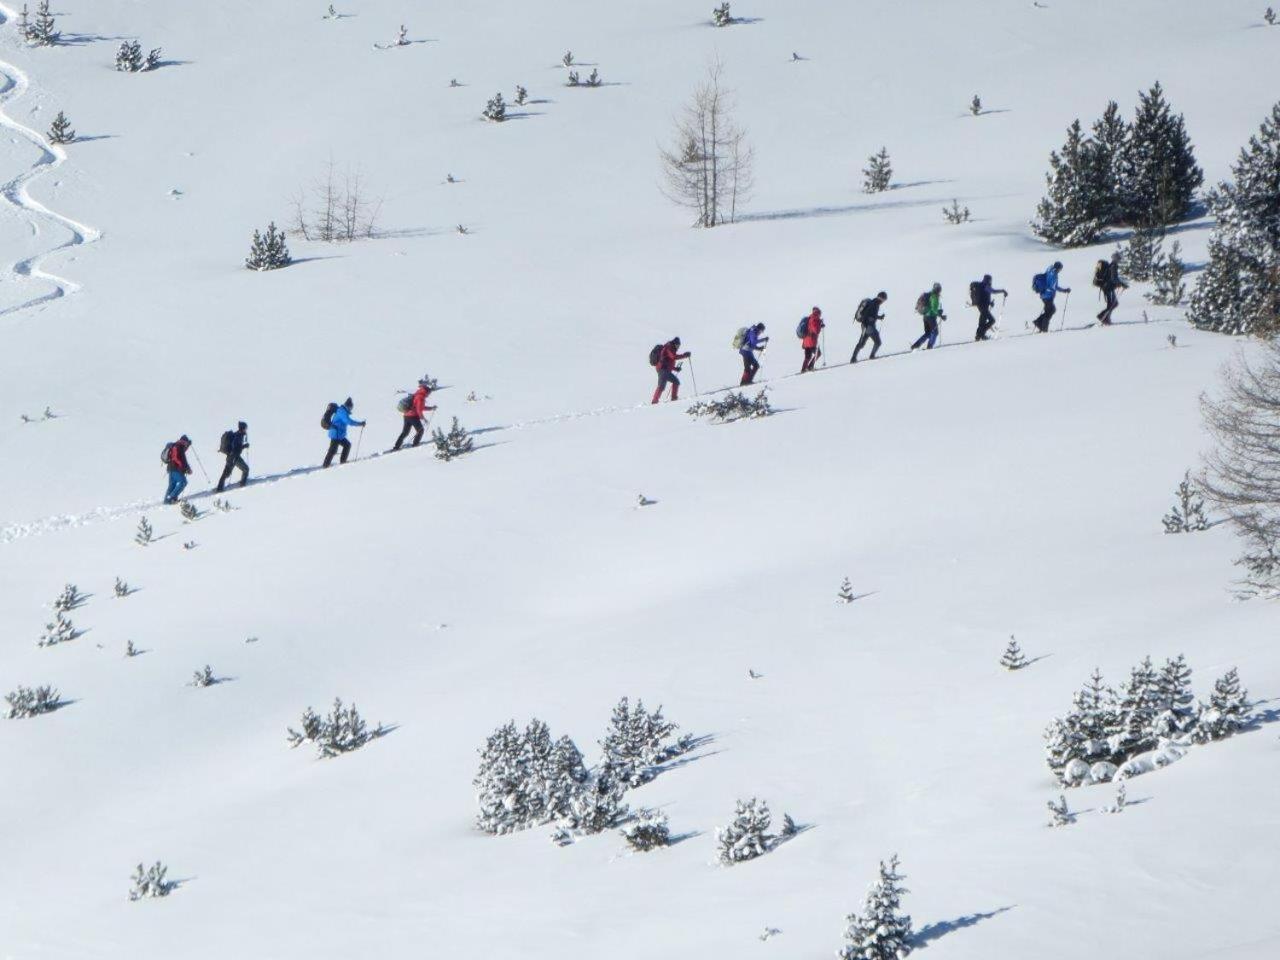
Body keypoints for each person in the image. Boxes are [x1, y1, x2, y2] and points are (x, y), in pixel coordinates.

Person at [394, 378, 437, 450]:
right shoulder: (421, 397)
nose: (429, 395)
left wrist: (431, 408)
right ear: (426, 392)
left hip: (406, 415)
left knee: (405, 432)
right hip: (413, 416)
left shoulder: (417, 394)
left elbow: (419, 407)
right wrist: (423, 419)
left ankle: (397, 446)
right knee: (420, 430)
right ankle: (415, 444)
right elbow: (419, 410)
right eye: (429, 393)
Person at [324, 397, 366, 467]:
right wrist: (360, 424)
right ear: (348, 406)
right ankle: (326, 465)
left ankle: (342, 461)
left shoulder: (342, 411)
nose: (351, 409)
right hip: (336, 434)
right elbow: (349, 421)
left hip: (338, 434)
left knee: (347, 445)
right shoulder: (342, 412)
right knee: (333, 450)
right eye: (351, 407)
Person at [1033, 261, 1071, 332]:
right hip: (1047, 296)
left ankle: (1039, 324)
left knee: (1050, 310)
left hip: (1046, 295)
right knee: (1051, 310)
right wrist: (1063, 290)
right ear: (1057, 268)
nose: (1060, 270)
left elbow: (1054, 286)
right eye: (1060, 269)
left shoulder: (1052, 272)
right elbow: (1052, 286)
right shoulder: (1052, 274)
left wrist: (1064, 290)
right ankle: (1042, 327)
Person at [651, 337, 691, 403]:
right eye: (678, 345)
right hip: (662, 369)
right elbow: (673, 357)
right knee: (661, 386)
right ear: (675, 344)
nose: (678, 347)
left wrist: (675, 369)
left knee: (676, 382)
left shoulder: (671, 348)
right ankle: (654, 401)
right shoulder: (669, 347)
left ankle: (674, 398)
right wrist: (684, 355)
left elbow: (668, 363)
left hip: (665, 369)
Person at [851, 292, 888, 362]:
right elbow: (869, 314)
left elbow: (870, 314)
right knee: (878, 342)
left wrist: (879, 317)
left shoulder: (873, 302)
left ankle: (853, 358)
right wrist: (878, 318)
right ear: (881, 298)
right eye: (884, 299)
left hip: (865, 326)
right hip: (869, 326)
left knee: (861, 344)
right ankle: (872, 356)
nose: (884, 301)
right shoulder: (875, 304)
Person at [970, 275, 1007, 341]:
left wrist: (990, 303)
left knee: (982, 321)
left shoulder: (981, 286)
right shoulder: (985, 286)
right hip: (983, 307)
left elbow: (984, 296)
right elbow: (993, 291)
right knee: (992, 320)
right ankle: (980, 334)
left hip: (981, 306)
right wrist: (1002, 291)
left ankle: (979, 336)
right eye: (990, 280)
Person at [1095, 253, 1128, 325]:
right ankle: (1103, 317)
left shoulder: (1111, 265)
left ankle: (1105, 317)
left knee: (1113, 304)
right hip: (1108, 287)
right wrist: (1122, 284)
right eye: (1119, 258)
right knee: (1113, 304)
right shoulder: (1114, 266)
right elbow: (1114, 278)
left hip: (1107, 287)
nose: (1120, 259)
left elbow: (1113, 278)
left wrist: (1120, 284)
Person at [215, 421, 249, 492]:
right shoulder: (238, 436)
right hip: (234, 457)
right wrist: (244, 446)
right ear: (243, 428)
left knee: (226, 473)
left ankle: (219, 488)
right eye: (246, 428)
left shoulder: (238, 434)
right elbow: (236, 447)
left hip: (231, 457)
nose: (246, 429)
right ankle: (242, 484)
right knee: (245, 469)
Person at [911, 283, 946, 351]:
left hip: (925, 316)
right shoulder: (934, 296)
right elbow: (934, 309)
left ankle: (915, 345)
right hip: (931, 317)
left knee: (928, 333)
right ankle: (929, 347)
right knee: (935, 332)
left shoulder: (929, 294)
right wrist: (941, 315)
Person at [163, 435, 193, 504]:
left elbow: (182, 452)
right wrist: (186, 468)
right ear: (184, 441)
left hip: (171, 468)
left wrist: (188, 445)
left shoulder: (177, 446)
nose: (186, 444)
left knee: (172, 485)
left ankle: (167, 501)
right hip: (175, 468)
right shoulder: (178, 447)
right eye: (186, 442)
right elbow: (179, 459)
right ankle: (171, 497)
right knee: (183, 482)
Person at [800, 306, 824, 372]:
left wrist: (819, 323)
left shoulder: (810, 318)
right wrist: (820, 324)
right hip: (811, 341)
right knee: (818, 353)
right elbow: (816, 330)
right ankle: (810, 367)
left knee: (808, 356)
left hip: (806, 340)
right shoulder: (815, 319)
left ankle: (804, 369)